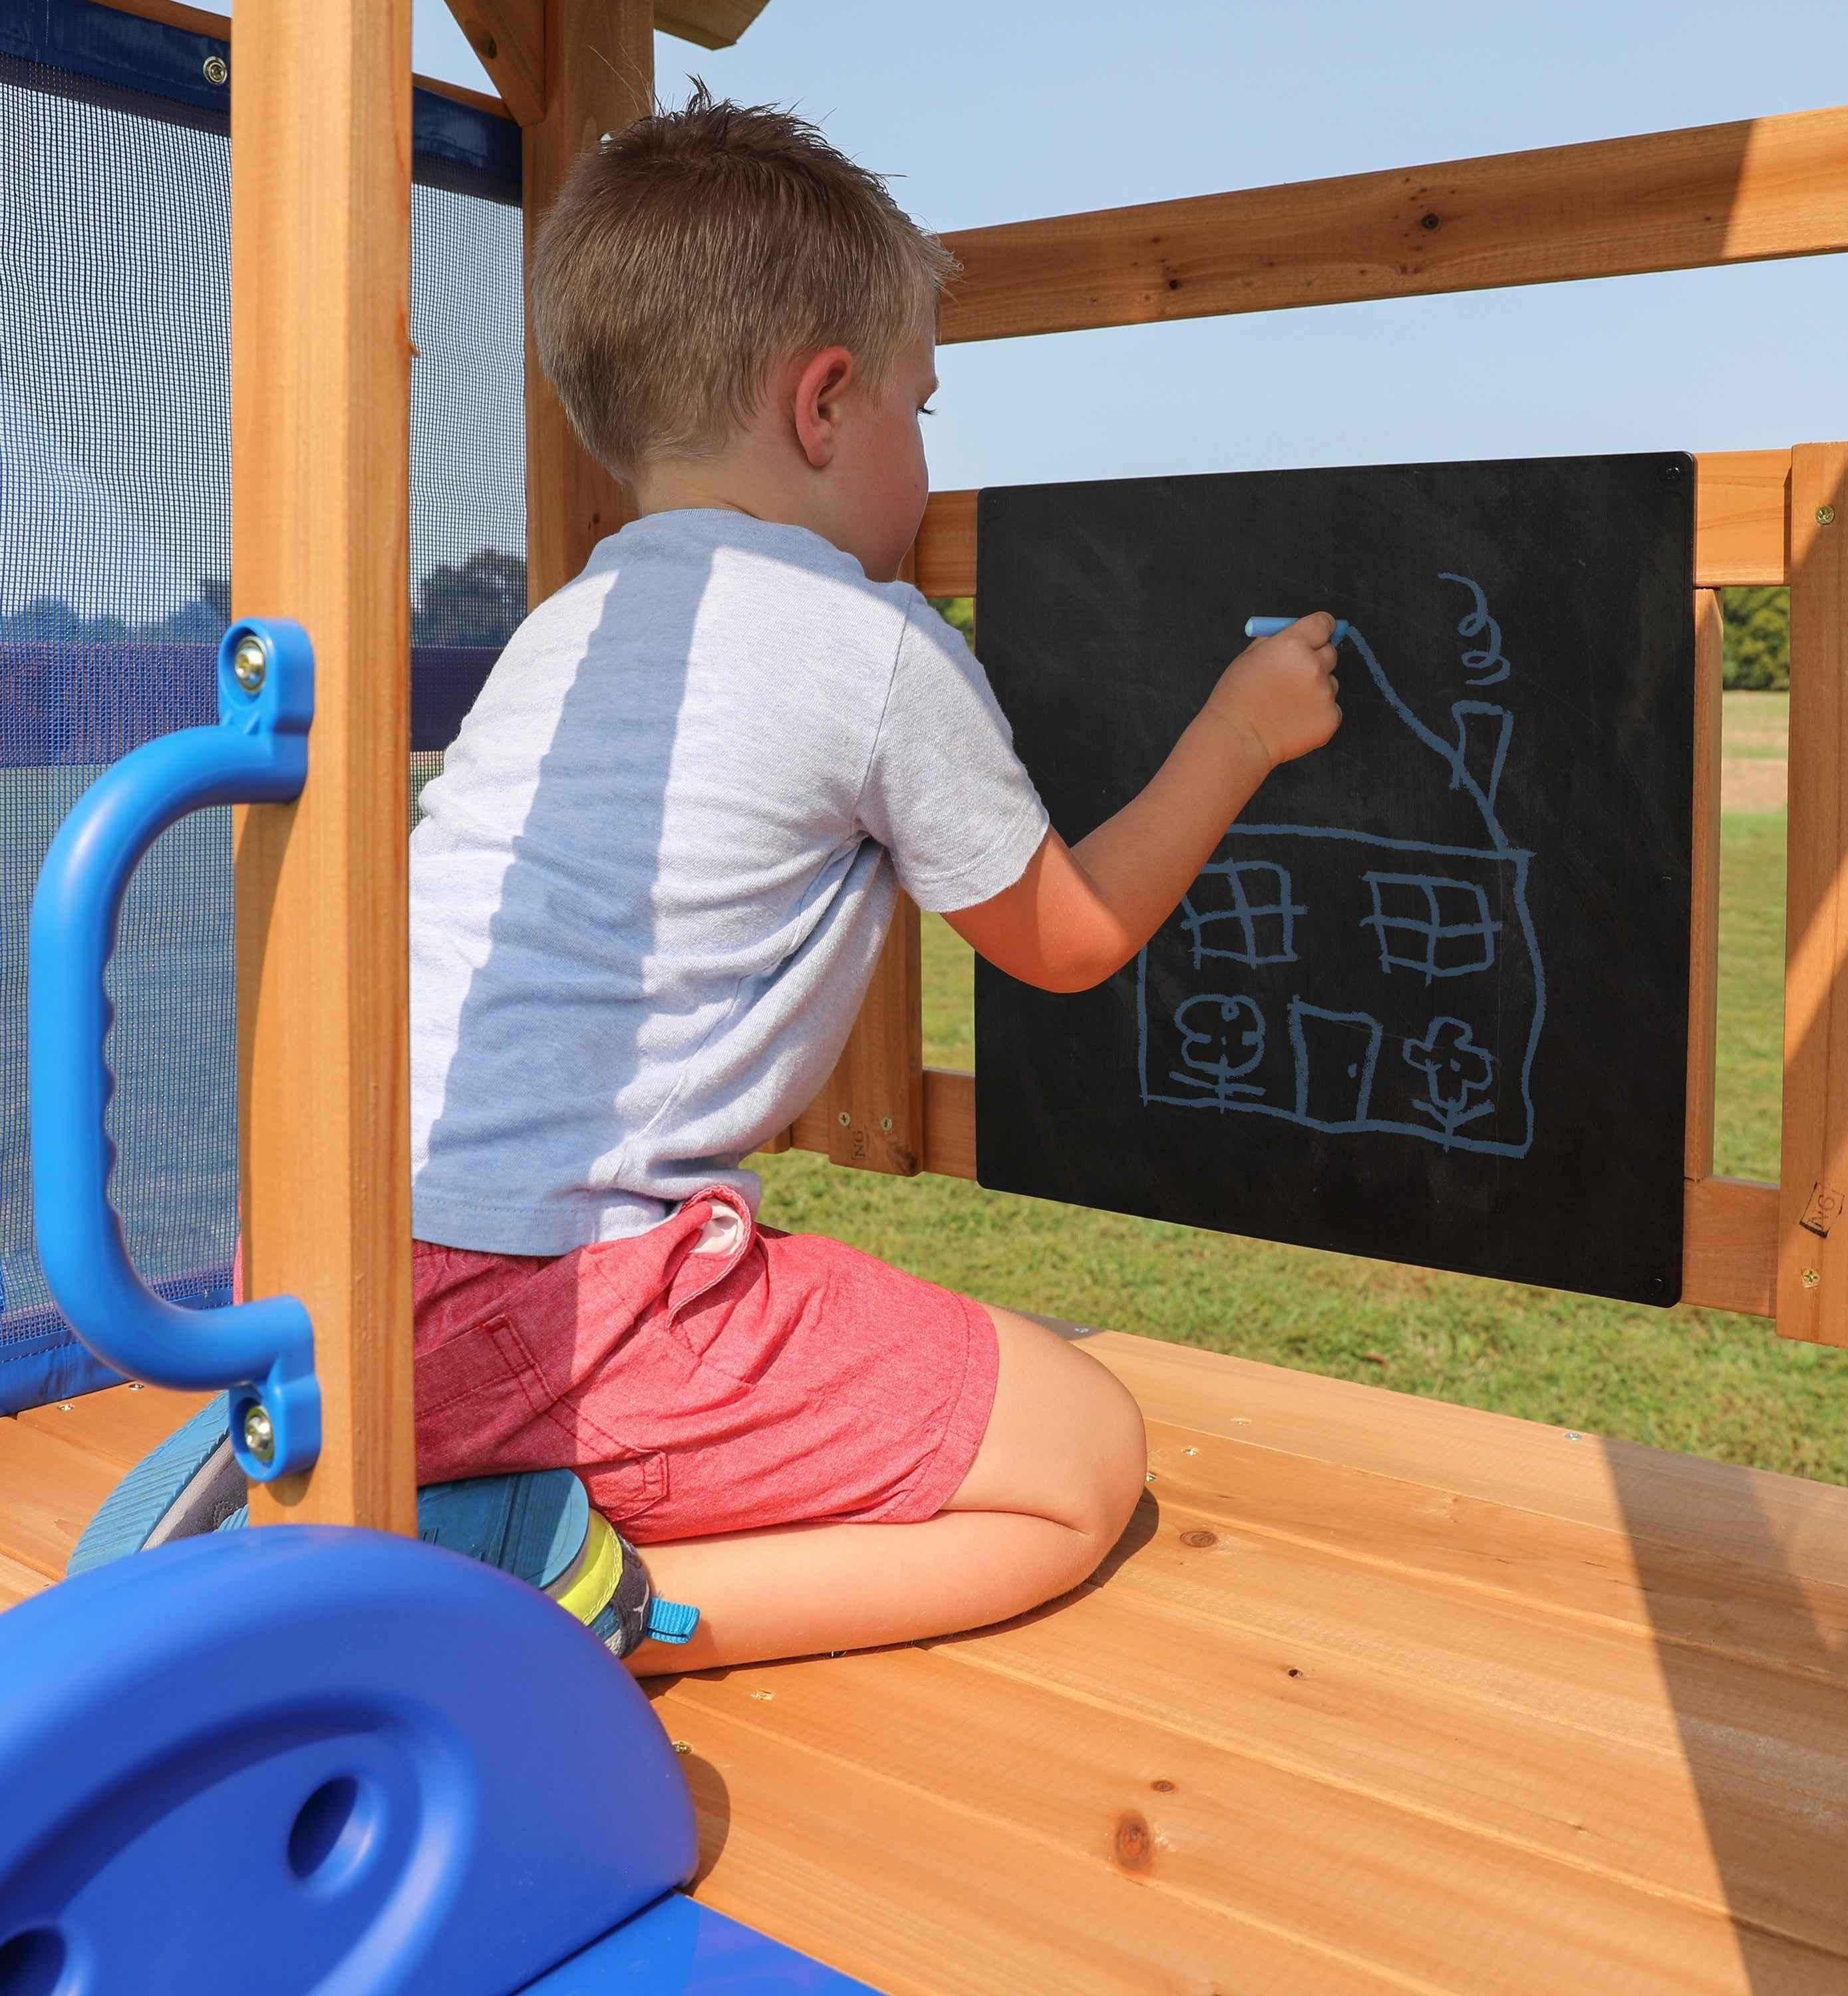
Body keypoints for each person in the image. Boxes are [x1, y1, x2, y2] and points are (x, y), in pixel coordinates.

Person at [86, 87, 1342, 1675]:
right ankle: (602, 1612)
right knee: (1085, 1459)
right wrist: (1241, 732)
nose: (930, 472)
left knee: (971, 1365)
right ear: (824, 408)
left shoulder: (572, 627)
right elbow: (1072, 938)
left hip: (317, 1288)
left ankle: (459, 1509)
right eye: (921, 409)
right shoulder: (868, 643)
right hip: (554, 1302)